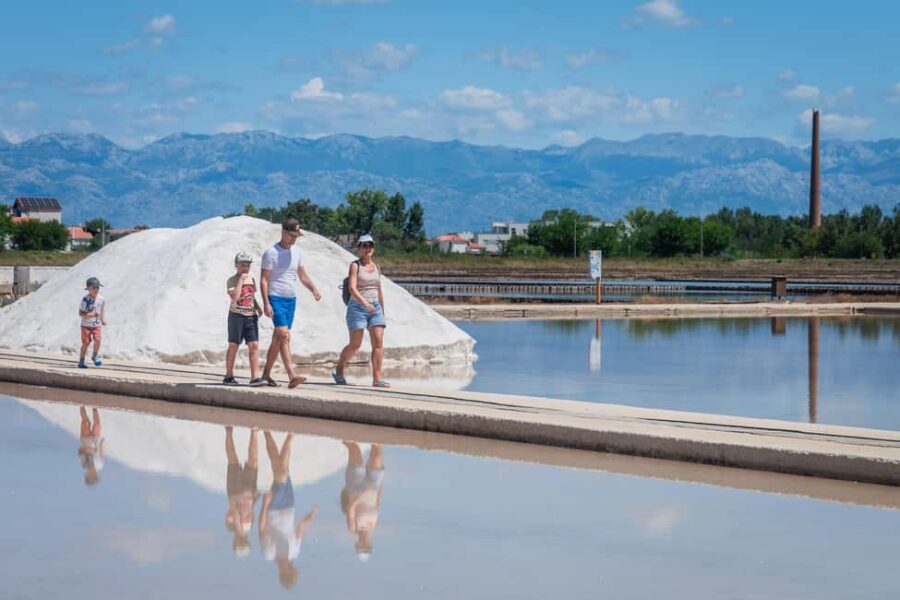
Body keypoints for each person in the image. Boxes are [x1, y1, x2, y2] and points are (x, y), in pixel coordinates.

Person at [260, 219, 321, 388]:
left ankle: (265, 374)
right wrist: (266, 303)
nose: (294, 239)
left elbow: (302, 275)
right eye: (292, 235)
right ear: (284, 232)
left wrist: (313, 289)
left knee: (278, 339)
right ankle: (292, 375)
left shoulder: (298, 252)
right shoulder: (271, 252)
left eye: (297, 236)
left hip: (290, 299)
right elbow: (264, 280)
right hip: (275, 297)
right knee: (284, 335)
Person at [259, 431, 319, 589]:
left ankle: (290, 436)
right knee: (279, 468)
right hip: (289, 505)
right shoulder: (294, 552)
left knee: (282, 472)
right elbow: (299, 530)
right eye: (294, 571)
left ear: (282, 573)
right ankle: (266, 433)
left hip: (273, 509)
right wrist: (311, 516)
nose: (292, 568)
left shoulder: (269, 553)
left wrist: (264, 504)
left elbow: (262, 528)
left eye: (290, 572)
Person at [332, 234, 390, 388]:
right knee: (355, 345)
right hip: (357, 307)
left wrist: (381, 311)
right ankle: (339, 369)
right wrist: (365, 303)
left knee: (378, 342)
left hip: (374, 307)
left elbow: (379, 289)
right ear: (358, 248)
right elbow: (352, 288)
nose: (367, 248)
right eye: (364, 246)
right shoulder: (355, 265)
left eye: (370, 245)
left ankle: (377, 379)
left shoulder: (377, 266)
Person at [340, 441, 385, 562]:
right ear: (370, 544)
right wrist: (380, 489)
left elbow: (350, 508)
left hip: (355, 486)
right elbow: (377, 505)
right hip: (374, 486)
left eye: (362, 547)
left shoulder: (353, 527)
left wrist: (362, 494)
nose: (365, 544)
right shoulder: (374, 525)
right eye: (367, 546)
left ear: (357, 544)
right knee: (377, 450)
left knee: (354, 447)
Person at [225, 251, 265, 386]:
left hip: (250, 316)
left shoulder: (252, 280)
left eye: (247, 265)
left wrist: (258, 307)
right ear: (236, 265)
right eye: (242, 265)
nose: (245, 268)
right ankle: (229, 376)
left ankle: (255, 377)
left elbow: (251, 296)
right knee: (234, 345)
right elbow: (234, 298)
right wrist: (241, 280)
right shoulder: (232, 280)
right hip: (236, 316)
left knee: (254, 344)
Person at [224, 426, 259, 557]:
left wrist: (238, 527)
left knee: (233, 461)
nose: (242, 539)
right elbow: (252, 512)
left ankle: (229, 431)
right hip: (249, 495)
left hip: (235, 492)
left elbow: (232, 511)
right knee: (253, 462)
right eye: (244, 541)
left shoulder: (230, 526)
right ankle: (254, 432)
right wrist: (255, 499)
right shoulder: (250, 527)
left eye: (240, 541)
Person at [78, 277, 107, 369]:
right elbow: (81, 313)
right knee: (86, 343)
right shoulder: (85, 300)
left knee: (98, 340)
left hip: (96, 324)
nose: (96, 290)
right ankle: (81, 360)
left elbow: (101, 310)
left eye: (97, 287)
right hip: (86, 325)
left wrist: (102, 319)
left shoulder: (101, 299)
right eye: (93, 288)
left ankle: (95, 356)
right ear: (88, 289)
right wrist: (91, 315)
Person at [77, 406, 104, 486]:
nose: (89, 473)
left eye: (88, 475)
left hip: (85, 440)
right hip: (95, 441)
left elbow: (80, 451)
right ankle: (94, 407)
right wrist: (101, 444)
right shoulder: (99, 465)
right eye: (91, 476)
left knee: (85, 421)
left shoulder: (84, 464)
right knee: (97, 424)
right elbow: (101, 454)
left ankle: (81, 403)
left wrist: (89, 449)